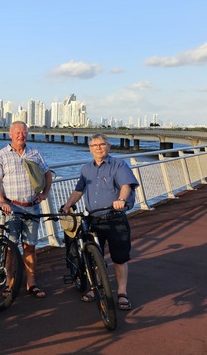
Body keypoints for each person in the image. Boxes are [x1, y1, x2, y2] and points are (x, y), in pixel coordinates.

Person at [61, 133, 139, 311]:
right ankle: (96, 288)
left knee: (120, 258)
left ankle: (122, 293)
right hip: (93, 219)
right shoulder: (86, 168)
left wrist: (121, 200)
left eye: (102, 144)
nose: (98, 148)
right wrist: (67, 205)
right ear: (90, 149)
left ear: (109, 147)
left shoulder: (118, 164)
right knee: (93, 258)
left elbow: (126, 185)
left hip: (115, 218)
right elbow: (78, 190)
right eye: (94, 145)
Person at [0, 121, 53, 298]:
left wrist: (45, 193)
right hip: (12, 208)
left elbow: (47, 173)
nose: (21, 135)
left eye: (24, 132)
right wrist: (1, 201)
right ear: (10, 134)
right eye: (17, 132)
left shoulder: (35, 153)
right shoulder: (1, 155)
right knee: (11, 248)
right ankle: (10, 284)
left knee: (30, 247)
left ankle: (31, 283)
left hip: (32, 207)